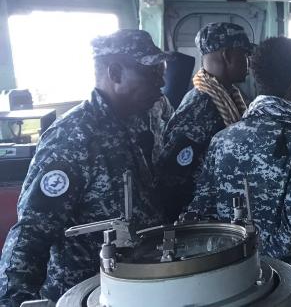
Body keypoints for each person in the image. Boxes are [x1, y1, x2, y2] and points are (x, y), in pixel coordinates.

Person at [0, 30, 167, 307]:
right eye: (151, 73)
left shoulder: (139, 120)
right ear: (115, 73)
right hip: (83, 292)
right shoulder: (73, 137)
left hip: (133, 284)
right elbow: (32, 231)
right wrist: (13, 300)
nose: (161, 83)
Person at [189, 37, 291, 268]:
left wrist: (233, 260)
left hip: (224, 268)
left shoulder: (221, 139)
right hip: (280, 278)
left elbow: (201, 209)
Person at [156, 22, 252, 220]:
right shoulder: (199, 107)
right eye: (244, 55)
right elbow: (174, 175)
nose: (248, 62)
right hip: (203, 217)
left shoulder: (231, 96)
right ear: (227, 56)